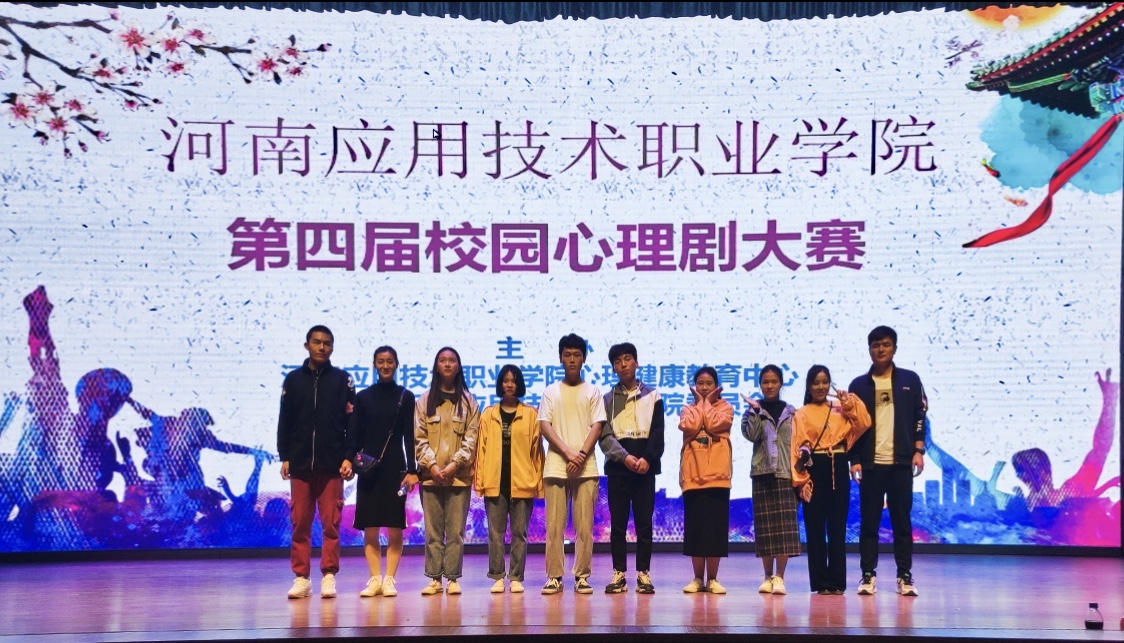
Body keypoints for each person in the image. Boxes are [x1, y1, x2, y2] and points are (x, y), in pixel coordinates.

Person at [277, 325, 356, 599]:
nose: (322, 347)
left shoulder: (343, 380)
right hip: (300, 465)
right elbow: (285, 420)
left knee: (331, 523)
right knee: (299, 522)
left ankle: (329, 575)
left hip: (332, 464)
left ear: (332, 347)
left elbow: (352, 424)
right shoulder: (293, 380)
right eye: (317, 342)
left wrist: (349, 457)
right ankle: (302, 578)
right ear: (307, 345)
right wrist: (285, 455)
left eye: (327, 343)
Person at [848, 326, 927, 597]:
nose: (880, 349)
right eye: (875, 345)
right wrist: (854, 459)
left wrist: (918, 450)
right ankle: (867, 575)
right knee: (869, 523)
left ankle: (904, 575)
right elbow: (852, 426)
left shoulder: (910, 380)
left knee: (901, 522)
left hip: (901, 464)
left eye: (886, 344)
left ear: (894, 348)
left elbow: (919, 416)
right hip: (871, 465)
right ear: (869, 349)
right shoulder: (858, 385)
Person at [347, 346, 419, 599]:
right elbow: (354, 434)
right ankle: (374, 579)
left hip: (395, 467)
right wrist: (350, 461)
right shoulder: (363, 397)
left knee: (395, 525)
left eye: (390, 361)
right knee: (370, 526)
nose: (385, 366)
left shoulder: (405, 396)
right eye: (381, 361)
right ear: (375, 364)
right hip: (368, 468)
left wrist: (412, 469)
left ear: (396, 364)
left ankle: (389, 579)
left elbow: (409, 436)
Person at [792, 365, 870, 595]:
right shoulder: (801, 413)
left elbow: (864, 423)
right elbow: (795, 448)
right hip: (814, 467)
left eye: (825, 382)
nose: (820, 387)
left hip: (838, 463)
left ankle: (837, 581)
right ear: (808, 386)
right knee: (815, 527)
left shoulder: (839, 408)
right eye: (815, 382)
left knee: (837, 526)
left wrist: (848, 403)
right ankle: (820, 582)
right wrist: (801, 479)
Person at [539, 333, 606, 595]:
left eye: (577, 355)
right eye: (567, 355)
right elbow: (545, 425)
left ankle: (582, 576)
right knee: (554, 527)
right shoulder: (550, 391)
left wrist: (581, 454)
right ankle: (554, 576)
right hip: (556, 466)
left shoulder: (592, 391)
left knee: (584, 527)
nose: (572, 359)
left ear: (584, 358)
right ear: (560, 358)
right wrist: (568, 453)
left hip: (586, 468)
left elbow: (597, 425)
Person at [599, 343, 665, 594]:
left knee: (644, 523)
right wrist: (624, 458)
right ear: (613, 368)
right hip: (618, 469)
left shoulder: (653, 395)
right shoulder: (606, 399)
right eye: (617, 361)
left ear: (636, 362)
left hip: (645, 469)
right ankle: (619, 574)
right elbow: (604, 436)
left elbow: (658, 432)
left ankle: (643, 573)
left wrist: (647, 458)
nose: (623, 364)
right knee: (618, 524)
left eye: (627, 359)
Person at [415, 346, 480, 595]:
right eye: (442, 360)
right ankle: (434, 578)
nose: (447, 364)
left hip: (459, 478)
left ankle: (452, 578)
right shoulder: (424, 400)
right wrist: (432, 466)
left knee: (455, 532)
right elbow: (419, 437)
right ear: (436, 366)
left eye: (452, 360)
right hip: (430, 478)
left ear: (458, 366)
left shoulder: (469, 401)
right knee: (433, 532)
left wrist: (454, 465)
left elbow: (471, 438)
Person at [474, 365, 544, 594]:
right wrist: (480, 482)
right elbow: (481, 451)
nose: (509, 384)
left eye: (513, 380)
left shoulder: (531, 414)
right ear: (500, 384)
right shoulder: (488, 414)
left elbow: (537, 452)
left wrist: (539, 484)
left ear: (519, 384)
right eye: (505, 380)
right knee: (495, 534)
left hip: (523, 482)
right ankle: (497, 576)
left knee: (519, 533)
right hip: (495, 482)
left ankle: (516, 576)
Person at [741, 364, 801, 595]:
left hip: (786, 473)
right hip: (761, 473)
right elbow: (751, 435)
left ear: (781, 384)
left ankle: (780, 577)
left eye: (774, 381)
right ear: (760, 385)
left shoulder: (792, 413)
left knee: (784, 530)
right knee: (765, 529)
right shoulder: (752, 411)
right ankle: (767, 576)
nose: (769, 386)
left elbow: (799, 442)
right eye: (765, 382)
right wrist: (756, 411)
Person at [678, 366, 734, 594]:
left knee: (714, 530)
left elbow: (712, 425)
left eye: (709, 383)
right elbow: (690, 426)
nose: (704, 387)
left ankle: (712, 579)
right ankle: (697, 578)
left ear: (716, 386)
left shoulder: (726, 408)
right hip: (693, 476)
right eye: (700, 383)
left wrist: (706, 404)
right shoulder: (687, 409)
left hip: (718, 477)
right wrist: (702, 405)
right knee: (696, 529)